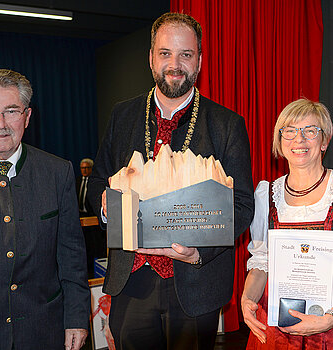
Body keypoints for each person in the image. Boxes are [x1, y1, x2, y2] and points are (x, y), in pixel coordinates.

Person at [88, 12, 254, 350]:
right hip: (131, 281)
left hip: (195, 283)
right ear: (151, 58)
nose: (174, 64)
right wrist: (106, 205)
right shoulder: (122, 116)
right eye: (165, 53)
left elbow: (242, 205)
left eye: (186, 55)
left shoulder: (227, 124)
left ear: (200, 61)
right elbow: (97, 183)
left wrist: (197, 252)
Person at [0, 68, 90, 350]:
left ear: (27, 117)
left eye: (11, 111)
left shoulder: (58, 172)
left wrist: (77, 318)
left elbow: (72, 256)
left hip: (43, 330)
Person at [241, 99, 333, 349]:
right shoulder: (266, 194)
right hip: (276, 327)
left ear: (324, 141)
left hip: (328, 326)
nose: (299, 139)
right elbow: (262, 261)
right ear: (279, 141)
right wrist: (248, 298)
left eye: (310, 131)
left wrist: (330, 319)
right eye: (289, 131)